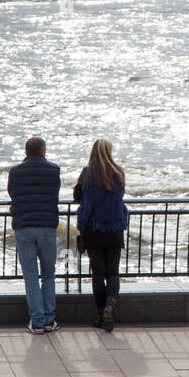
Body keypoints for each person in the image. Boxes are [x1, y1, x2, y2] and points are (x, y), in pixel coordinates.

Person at [7, 136, 61, 334]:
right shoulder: (54, 170)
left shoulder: (15, 171)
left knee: (30, 276)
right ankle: (49, 319)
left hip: (24, 226)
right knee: (48, 274)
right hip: (47, 226)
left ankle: (37, 322)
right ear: (43, 151)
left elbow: (12, 193)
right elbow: (53, 194)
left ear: (26, 151)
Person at [75, 139, 128, 331]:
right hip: (114, 229)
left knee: (98, 274)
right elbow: (119, 197)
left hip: (93, 230)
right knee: (113, 272)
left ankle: (100, 315)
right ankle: (110, 306)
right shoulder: (119, 172)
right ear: (109, 151)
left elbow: (78, 197)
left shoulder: (87, 173)